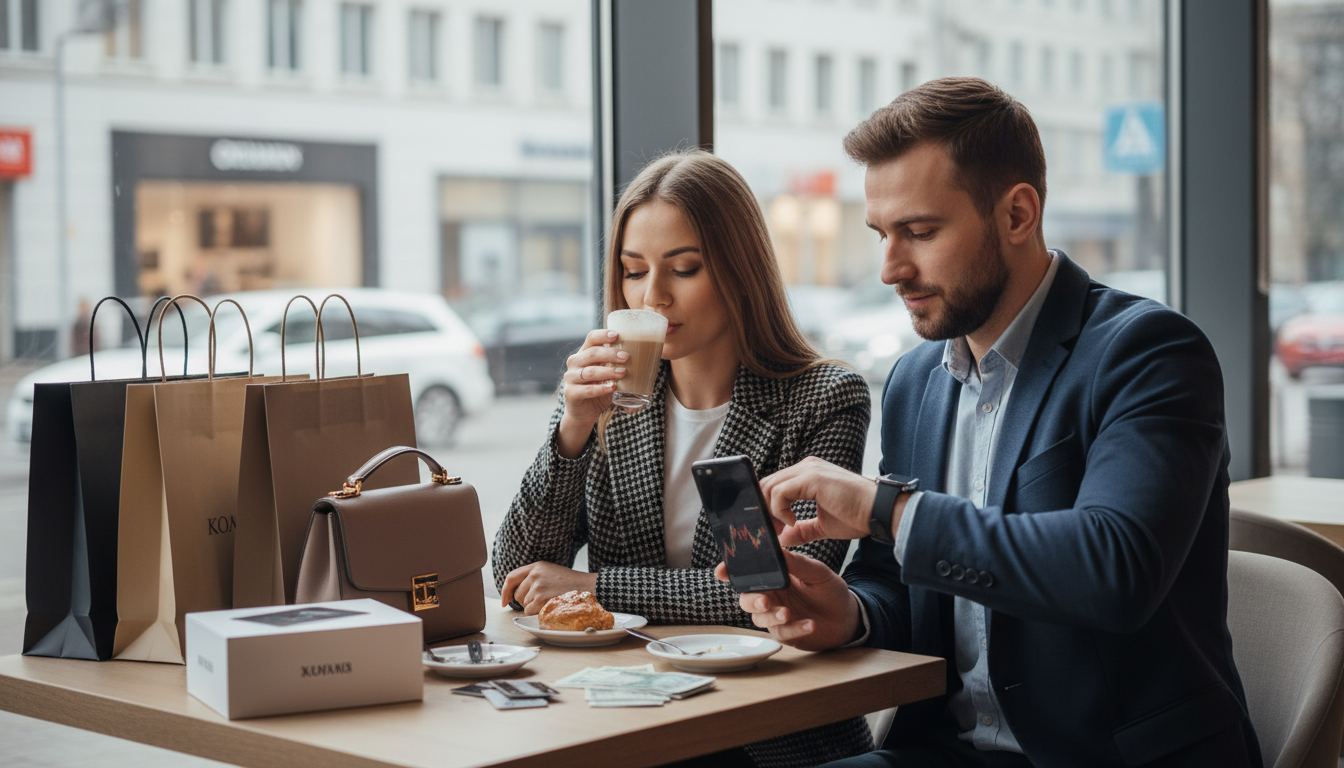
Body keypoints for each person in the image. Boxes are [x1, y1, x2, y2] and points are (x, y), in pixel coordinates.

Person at [728, 78, 1263, 768]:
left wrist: (885, 508)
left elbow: (1116, 568)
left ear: (1017, 214)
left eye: (919, 231)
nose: (890, 268)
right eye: (881, 235)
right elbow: (901, 576)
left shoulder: (1149, 351)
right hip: (947, 752)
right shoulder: (917, 380)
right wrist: (854, 613)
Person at [492, 149, 875, 767]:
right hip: (632, 719)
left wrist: (596, 588)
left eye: (685, 269)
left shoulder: (821, 399)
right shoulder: (607, 403)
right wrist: (571, 430)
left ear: (739, 271)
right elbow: (514, 575)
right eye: (633, 271)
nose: (654, 297)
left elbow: (779, 592)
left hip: (766, 733)